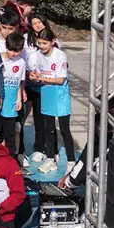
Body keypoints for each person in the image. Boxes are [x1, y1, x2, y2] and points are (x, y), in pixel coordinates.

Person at [27, 28, 73, 175]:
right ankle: (50, 158)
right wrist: (34, 77)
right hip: (46, 94)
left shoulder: (60, 56)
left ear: (52, 42)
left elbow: (60, 79)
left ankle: (71, 162)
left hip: (60, 96)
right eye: (39, 43)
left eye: (45, 43)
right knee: (48, 128)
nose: (42, 46)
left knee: (64, 130)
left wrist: (41, 78)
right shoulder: (37, 55)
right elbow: (35, 73)